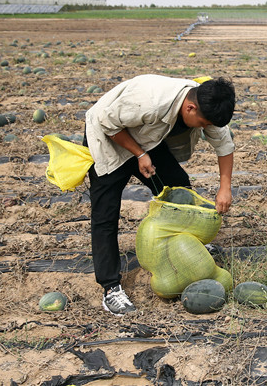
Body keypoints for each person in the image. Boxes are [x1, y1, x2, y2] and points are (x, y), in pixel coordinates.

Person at [84, 74, 236, 315]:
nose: (206, 128)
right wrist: (138, 154)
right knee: (105, 214)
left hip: (146, 137)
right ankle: (110, 288)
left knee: (178, 187)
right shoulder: (151, 100)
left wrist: (225, 187)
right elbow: (106, 122)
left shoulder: (209, 105)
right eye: (203, 123)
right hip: (109, 139)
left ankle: (184, 248)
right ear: (190, 107)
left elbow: (224, 146)